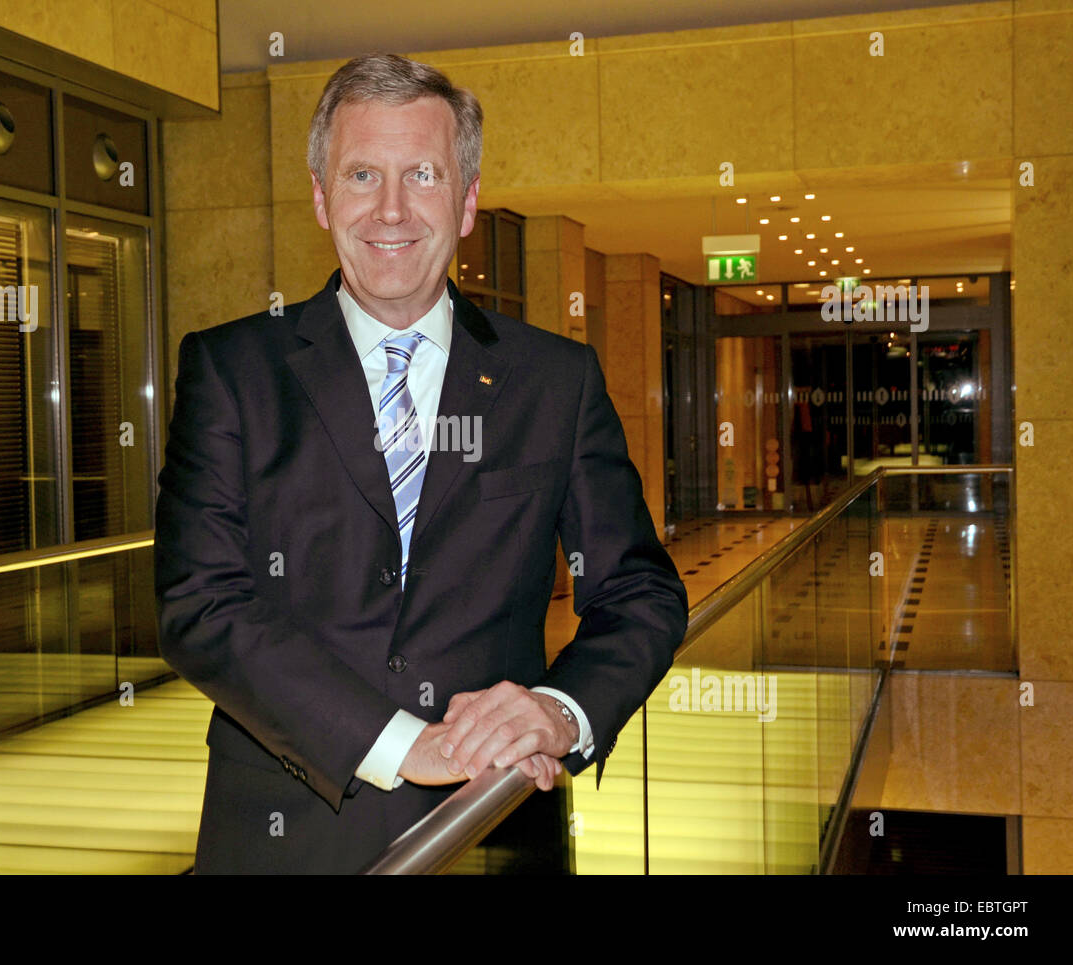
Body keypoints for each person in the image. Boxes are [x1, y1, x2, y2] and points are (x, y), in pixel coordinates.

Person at [155, 52, 689, 874]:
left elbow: (640, 591)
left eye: (424, 175)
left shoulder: (555, 380)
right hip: (285, 839)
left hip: (493, 824)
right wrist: (403, 743)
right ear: (321, 194)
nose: (392, 209)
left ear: (468, 201)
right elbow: (201, 604)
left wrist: (557, 709)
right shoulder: (232, 371)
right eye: (363, 173)